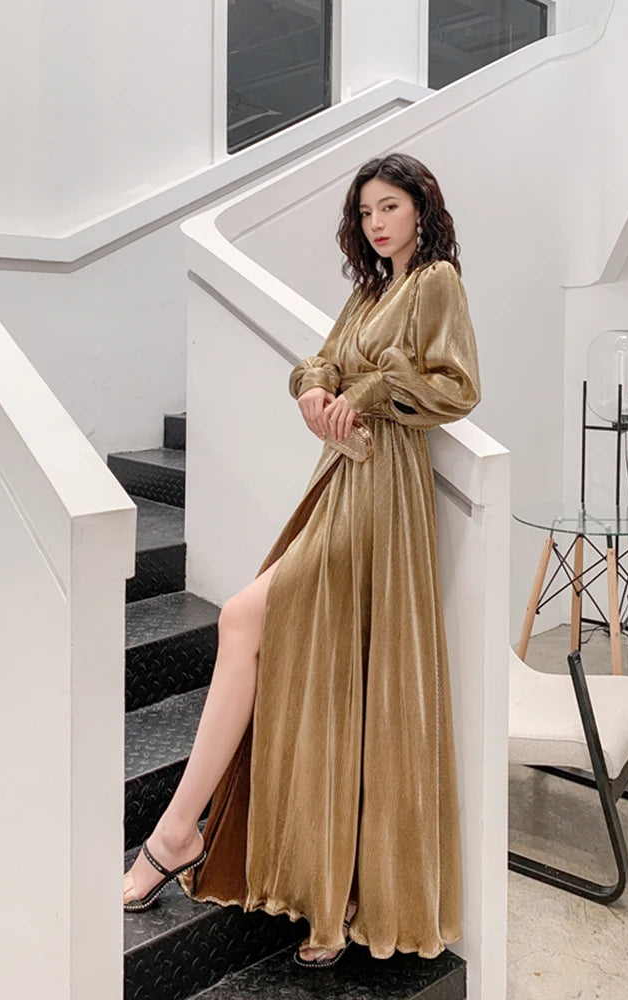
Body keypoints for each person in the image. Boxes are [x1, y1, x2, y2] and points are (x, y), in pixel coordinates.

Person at [123, 152, 481, 968]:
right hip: (339, 483)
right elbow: (319, 360)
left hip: (384, 493)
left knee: (248, 617)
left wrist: (363, 394)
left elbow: (457, 387)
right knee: (316, 666)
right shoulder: (370, 292)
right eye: (365, 213)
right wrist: (315, 391)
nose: (377, 223)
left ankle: (176, 833)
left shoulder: (434, 284)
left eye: (390, 206)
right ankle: (273, 863)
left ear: (422, 209)